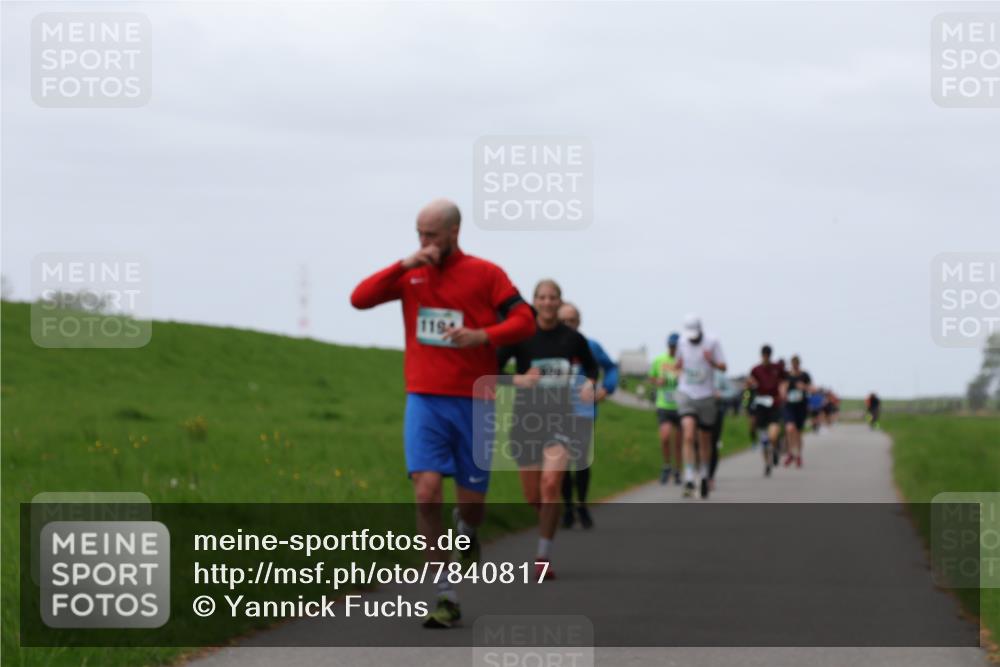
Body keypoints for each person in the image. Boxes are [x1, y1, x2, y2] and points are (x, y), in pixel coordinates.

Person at [350, 198, 535, 628]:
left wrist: (481, 336)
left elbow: (524, 320)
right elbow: (359, 299)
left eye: (431, 235)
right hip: (425, 399)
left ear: (454, 232)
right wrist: (402, 262)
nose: (425, 242)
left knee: (472, 507)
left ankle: (467, 530)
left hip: (476, 401)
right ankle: (443, 593)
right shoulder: (411, 273)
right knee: (426, 491)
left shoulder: (486, 274)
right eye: (419, 234)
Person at [497, 280, 599, 580]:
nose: (547, 302)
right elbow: (490, 368)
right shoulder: (521, 335)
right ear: (534, 301)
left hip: (560, 419)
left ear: (559, 301)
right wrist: (517, 380)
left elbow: (592, 368)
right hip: (526, 421)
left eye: (552, 297)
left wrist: (590, 384)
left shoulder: (573, 338)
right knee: (535, 497)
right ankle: (548, 522)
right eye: (541, 297)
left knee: (552, 483)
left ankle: (543, 555)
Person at [557, 301, 618, 529]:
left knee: (580, 461)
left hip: (583, 411)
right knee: (561, 463)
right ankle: (568, 508)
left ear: (579, 322)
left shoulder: (590, 346)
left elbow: (611, 367)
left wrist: (606, 389)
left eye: (571, 321)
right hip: (556, 413)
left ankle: (582, 505)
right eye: (563, 321)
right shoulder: (552, 345)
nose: (567, 325)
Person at [671, 314, 727, 499]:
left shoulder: (713, 342)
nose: (693, 338)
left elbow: (723, 366)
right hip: (687, 392)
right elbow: (678, 364)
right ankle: (688, 477)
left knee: (705, 438)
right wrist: (676, 368)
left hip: (706, 395)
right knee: (688, 433)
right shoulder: (681, 342)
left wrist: (711, 361)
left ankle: (703, 474)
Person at [649, 333, 683, 485]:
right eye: (671, 346)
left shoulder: (684, 361)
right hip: (664, 405)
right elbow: (651, 377)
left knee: (678, 441)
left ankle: (677, 470)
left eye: (675, 346)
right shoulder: (659, 360)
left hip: (681, 406)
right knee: (665, 437)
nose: (673, 349)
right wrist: (658, 381)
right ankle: (667, 466)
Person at [747, 345, 785, 477]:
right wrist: (750, 384)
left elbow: (784, 382)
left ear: (770, 355)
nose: (766, 357)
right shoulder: (755, 369)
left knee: (773, 436)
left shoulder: (777, 368)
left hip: (774, 404)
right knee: (763, 440)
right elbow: (749, 383)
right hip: (761, 406)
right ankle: (767, 463)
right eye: (764, 355)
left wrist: (782, 392)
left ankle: (774, 450)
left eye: (768, 355)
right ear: (761, 355)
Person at [781, 355, 812, 468]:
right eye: (793, 364)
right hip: (789, 406)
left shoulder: (805, 375)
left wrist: (803, 387)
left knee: (798, 432)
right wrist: (783, 391)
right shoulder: (787, 375)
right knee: (789, 428)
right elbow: (782, 386)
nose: (795, 366)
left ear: (799, 364)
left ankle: (798, 455)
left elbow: (812, 388)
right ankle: (790, 452)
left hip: (801, 406)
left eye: (796, 364)